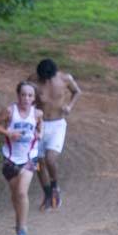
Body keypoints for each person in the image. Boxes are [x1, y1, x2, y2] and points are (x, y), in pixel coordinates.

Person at [0, 81, 44, 235]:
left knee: (22, 192)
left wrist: (39, 133)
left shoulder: (37, 114)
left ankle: (22, 228)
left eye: (30, 95)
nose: (26, 98)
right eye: (23, 95)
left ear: (34, 98)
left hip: (29, 157)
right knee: (15, 195)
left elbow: (41, 127)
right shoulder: (10, 111)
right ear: (18, 95)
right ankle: (18, 221)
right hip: (10, 158)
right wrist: (9, 133)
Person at [32, 58, 82, 210]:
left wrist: (69, 106)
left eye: (48, 78)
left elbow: (77, 92)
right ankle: (47, 195)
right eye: (42, 79)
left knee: (50, 158)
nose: (45, 81)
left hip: (57, 123)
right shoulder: (32, 80)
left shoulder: (65, 79)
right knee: (37, 163)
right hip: (39, 124)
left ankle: (54, 185)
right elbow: (26, 96)